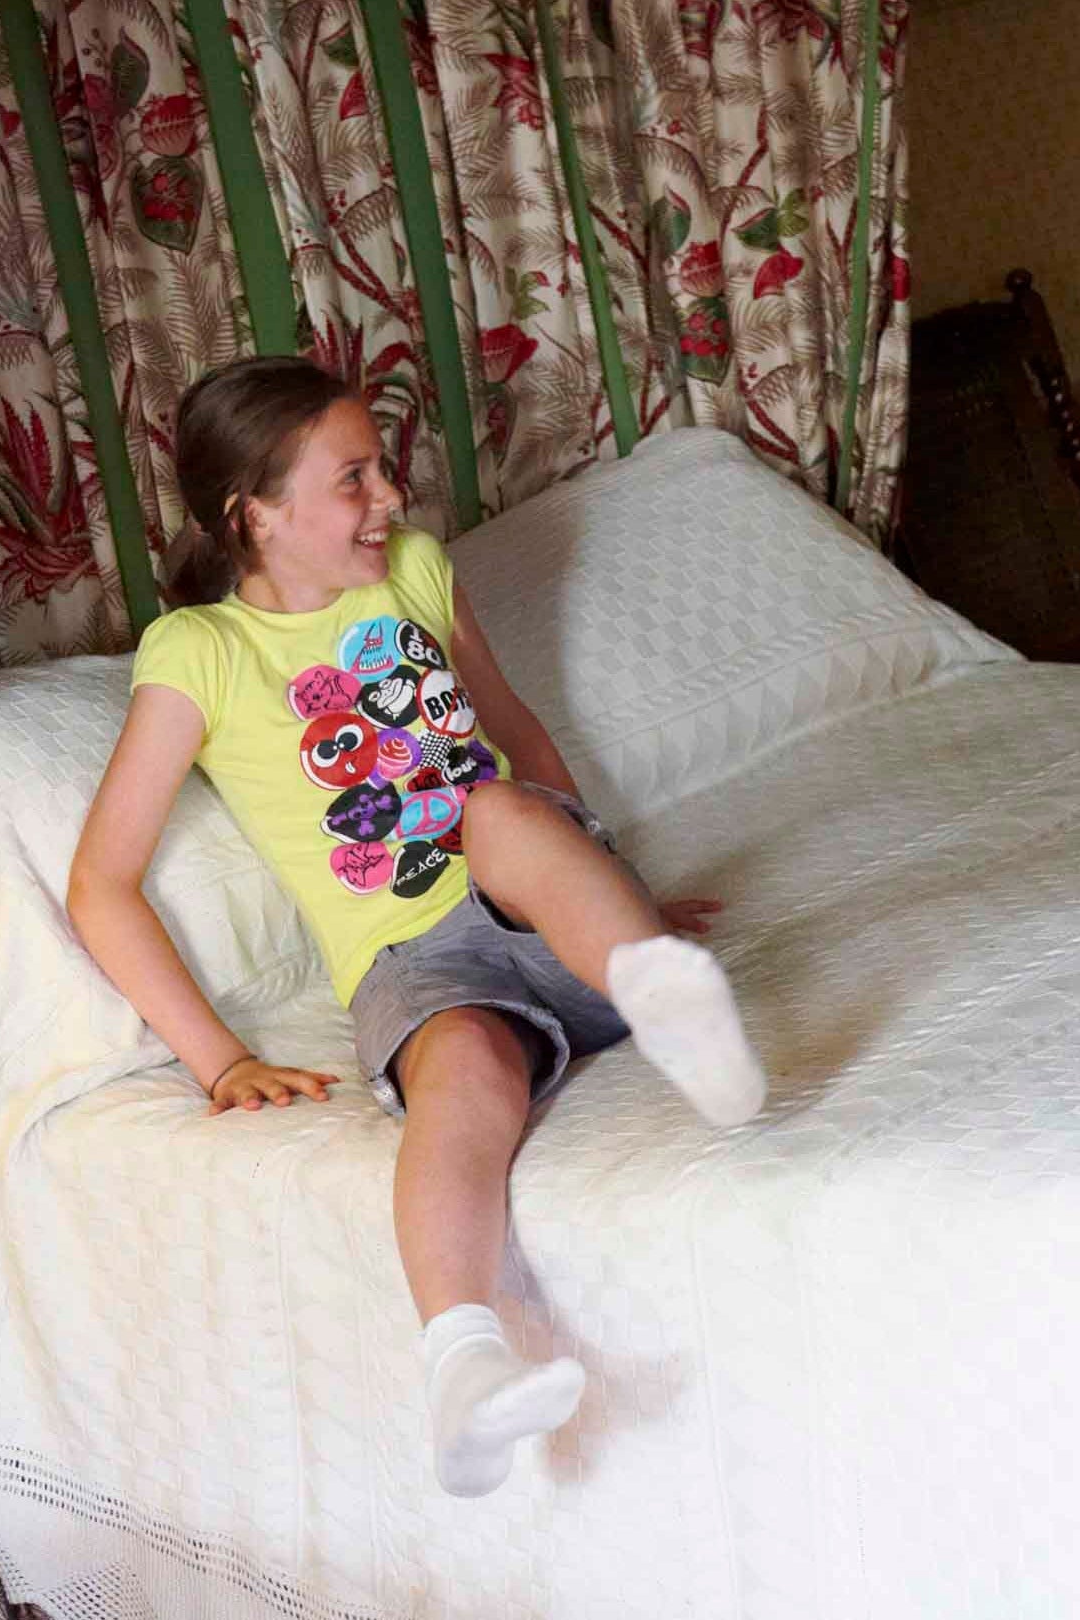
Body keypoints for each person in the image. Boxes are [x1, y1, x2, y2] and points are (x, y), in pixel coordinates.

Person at [66, 355, 768, 1498]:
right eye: (355, 479)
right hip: (412, 960)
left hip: (524, 888)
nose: (389, 499)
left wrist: (604, 885)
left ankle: (664, 994)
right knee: (466, 1080)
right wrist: (221, 1060)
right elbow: (101, 881)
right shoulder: (202, 654)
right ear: (256, 511)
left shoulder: (415, 573)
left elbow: (514, 731)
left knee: (490, 809)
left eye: (380, 471)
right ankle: (464, 1369)